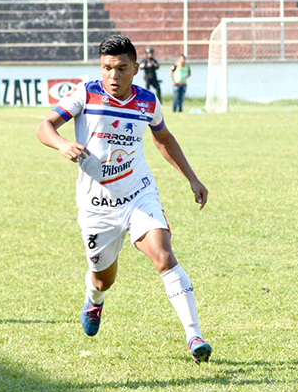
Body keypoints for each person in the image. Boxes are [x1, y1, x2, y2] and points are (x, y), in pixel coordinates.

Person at [35, 35, 212, 364]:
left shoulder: (147, 101)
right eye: (106, 68)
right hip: (97, 206)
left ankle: (194, 336)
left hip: (138, 194)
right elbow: (45, 126)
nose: (112, 75)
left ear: (135, 68)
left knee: (164, 256)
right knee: (104, 278)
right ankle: (94, 297)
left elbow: (163, 138)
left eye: (120, 68)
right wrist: (61, 144)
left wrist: (192, 178)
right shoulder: (86, 93)